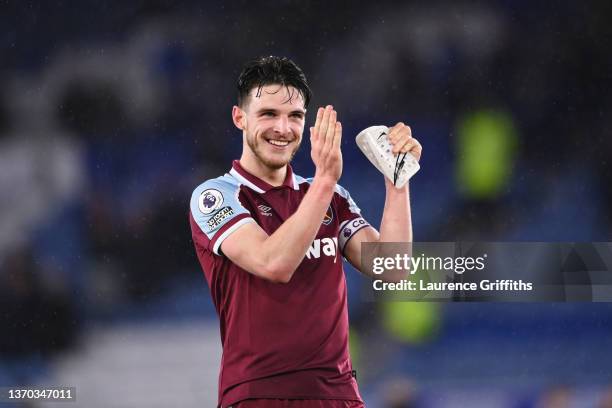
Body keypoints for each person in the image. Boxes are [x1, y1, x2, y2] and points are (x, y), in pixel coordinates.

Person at [189, 56, 422, 408]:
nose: (283, 128)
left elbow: (391, 267)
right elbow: (274, 263)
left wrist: (397, 180)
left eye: (295, 116)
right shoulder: (216, 196)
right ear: (240, 118)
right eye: (268, 114)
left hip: (339, 396)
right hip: (260, 395)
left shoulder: (329, 196)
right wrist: (326, 180)